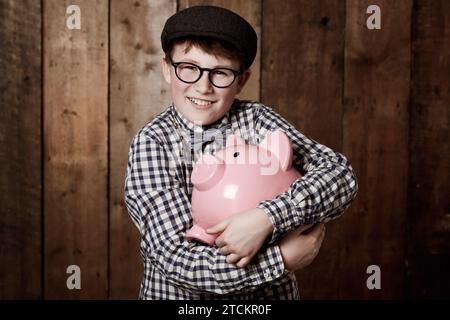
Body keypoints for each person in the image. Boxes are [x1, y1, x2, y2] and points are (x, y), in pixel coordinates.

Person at [124, 5, 358, 300]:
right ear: (167, 70)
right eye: (189, 69)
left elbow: (340, 175)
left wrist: (267, 217)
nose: (203, 86)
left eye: (220, 72)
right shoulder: (153, 143)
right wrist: (280, 260)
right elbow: (177, 261)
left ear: (241, 80)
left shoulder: (256, 121)